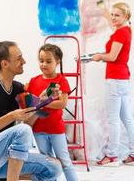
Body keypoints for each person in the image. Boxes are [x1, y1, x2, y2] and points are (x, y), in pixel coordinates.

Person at [0, 41, 62, 181]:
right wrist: (11, 116)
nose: (24, 61)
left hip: (3, 158)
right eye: (19, 58)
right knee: (21, 130)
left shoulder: (19, 89)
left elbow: (27, 128)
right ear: (5, 64)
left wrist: (41, 103)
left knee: (54, 167)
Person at [92, 2, 134, 166]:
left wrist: (99, 56)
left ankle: (111, 156)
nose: (113, 18)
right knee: (127, 119)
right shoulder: (126, 30)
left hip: (115, 80)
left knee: (113, 119)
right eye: (112, 15)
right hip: (123, 80)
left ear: (126, 17)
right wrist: (104, 8)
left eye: (117, 15)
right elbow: (112, 19)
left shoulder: (120, 33)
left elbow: (112, 57)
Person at [26, 44, 79, 181]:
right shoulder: (34, 81)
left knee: (65, 162)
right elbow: (32, 105)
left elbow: (62, 103)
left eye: (48, 61)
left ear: (57, 62)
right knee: (47, 162)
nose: (44, 64)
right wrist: (44, 102)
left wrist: (43, 102)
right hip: (38, 129)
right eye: (41, 60)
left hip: (56, 129)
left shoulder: (61, 80)